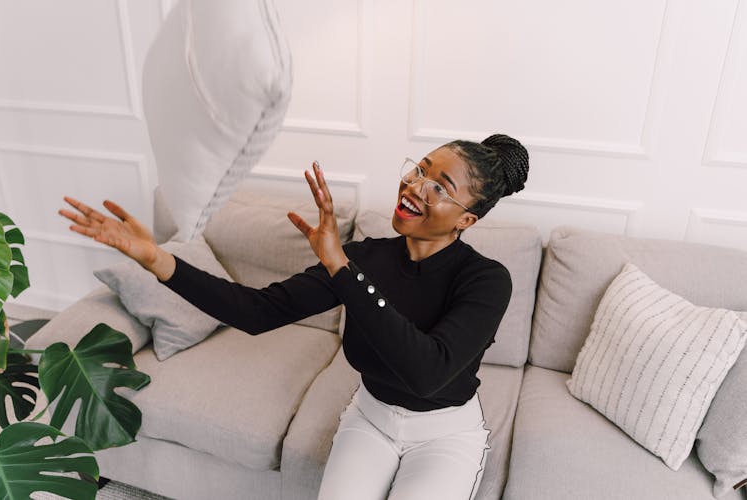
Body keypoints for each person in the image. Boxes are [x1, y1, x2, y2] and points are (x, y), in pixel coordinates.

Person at [58, 133, 529, 500]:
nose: (414, 186)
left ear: (467, 219)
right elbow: (256, 311)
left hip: (443, 433)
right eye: (418, 170)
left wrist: (342, 270)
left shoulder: (487, 280)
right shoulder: (366, 258)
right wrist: (158, 260)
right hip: (371, 418)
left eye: (438, 187)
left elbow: (426, 372)